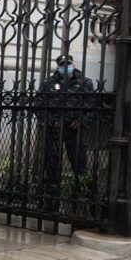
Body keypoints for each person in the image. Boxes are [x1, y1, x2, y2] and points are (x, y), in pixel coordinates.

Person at [37, 53, 95, 203]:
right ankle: (51, 197)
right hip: (53, 130)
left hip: (73, 129)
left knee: (78, 161)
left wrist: (81, 121)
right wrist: (50, 121)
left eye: (68, 64)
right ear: (58, 67)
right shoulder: (48, 82)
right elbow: (38, 104)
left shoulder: (84, 82)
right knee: (52, 162)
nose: (65, 68)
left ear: (73, 64)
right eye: (62, 65)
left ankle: (82, 195)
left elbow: (91, 105)